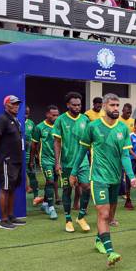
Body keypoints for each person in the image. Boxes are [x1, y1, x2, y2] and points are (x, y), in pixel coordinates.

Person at [70, 93, 136, 266]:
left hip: (115, 178)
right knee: (103, 213)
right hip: (98, 177)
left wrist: (131, 178)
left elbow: (125, 156)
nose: (116, 109)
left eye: (118, 105)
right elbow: (82, 152)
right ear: (104, 106)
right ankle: (110, 252)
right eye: (112, 105)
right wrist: (73, 173)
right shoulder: (93, 127)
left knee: (108, 215)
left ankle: (99, 240)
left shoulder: (123, 129)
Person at [53, 92, 92, 233]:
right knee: (67, 190)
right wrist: (57, 162)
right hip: (67, 163)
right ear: (68, 105)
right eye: (74, 105)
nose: (77, 107)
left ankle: (81, 217)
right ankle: (68, 219)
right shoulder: (61, 120)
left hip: (83, 162)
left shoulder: (85, 120)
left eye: (79, 105)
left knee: (86, 187)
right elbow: (57, 142)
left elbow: (91, 141)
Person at [0, 95, 26, 229]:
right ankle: (3, 220)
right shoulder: (2, 119)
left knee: (12, 188)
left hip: (16, 160)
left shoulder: (15, 119)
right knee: (5, 189)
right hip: (7, 160)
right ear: (6, 105)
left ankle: (11, 216)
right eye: (13, 104)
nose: (16, 106)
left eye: (17, 104)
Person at [30, 105, 60, 219]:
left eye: (57, 115)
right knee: (50, 181)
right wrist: (32, 160)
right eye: (53, 115)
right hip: (45, 160)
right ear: (47, 114)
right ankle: (52, 209)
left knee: (52, 182)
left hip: (57, 160)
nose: (56, 117)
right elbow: (34, 145)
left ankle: (44, 204)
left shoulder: (59, 126)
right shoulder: (39, 127)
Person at [24, 107, 41, 205]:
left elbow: (35, 141)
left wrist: (37, 154)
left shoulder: (31, 123)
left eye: (27, 113)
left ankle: (36, 196)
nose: (26, 114)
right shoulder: (17, 122)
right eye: (24, 112)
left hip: (29, 155)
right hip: (18, 156)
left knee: (32, 175)